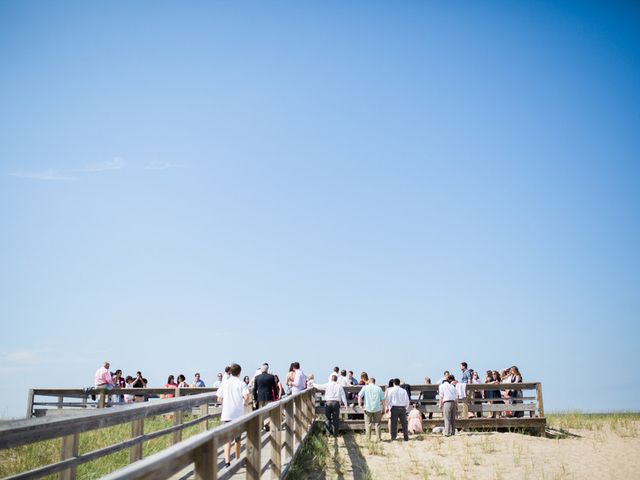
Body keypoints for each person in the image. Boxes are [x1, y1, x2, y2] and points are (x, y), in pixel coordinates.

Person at [217, 363, 249, 467]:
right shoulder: (241, 384)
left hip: (227, 413)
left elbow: (219, 399)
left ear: (230, 371)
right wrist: (245, 403)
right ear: (239, 372)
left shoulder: (224, 383)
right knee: (238, 439)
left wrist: (225, 403)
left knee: (227, 439)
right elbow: (246, 396)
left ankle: (227, 461)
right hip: (238, 414)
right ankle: (237, 458)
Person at [358, 377, 385, 442]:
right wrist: (383, 408)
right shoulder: (379, 388)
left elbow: (359, 396)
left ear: (369, 381)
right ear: (374, 382)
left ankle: (368, 439)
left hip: (367, 408)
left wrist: (360, 405)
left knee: (368, 424)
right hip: (377, 408)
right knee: (377, 424)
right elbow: (383, 400)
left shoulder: (365, 387)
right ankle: (378, 438)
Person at [253, 364, 277, 429]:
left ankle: (261, 425)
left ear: (261, 370)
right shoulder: (271, 377)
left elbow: (255, 389)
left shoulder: (257, 377)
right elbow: (274, 388)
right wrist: (276, 396)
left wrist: (255, 398)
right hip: (269, 396)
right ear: (267, 369)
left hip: (260, 397)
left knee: (260, 410)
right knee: (267, 411)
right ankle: (266, 424)